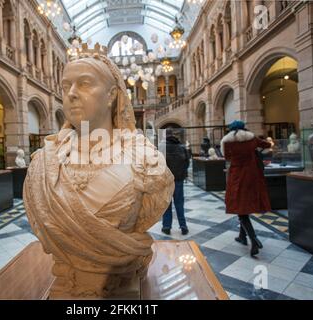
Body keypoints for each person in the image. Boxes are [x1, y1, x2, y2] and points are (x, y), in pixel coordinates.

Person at [23, 43, 174, 298]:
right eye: (65, 86)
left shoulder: (145, 160)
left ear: (112, 95)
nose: (71, 93)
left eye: (84, 84)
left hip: (123, 277)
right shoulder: (42, 164)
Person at [220, 120, 271, 257]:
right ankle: (242, 236)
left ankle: (253, 240)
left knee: (240, 207)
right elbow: (267, 145)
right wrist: (255, 151)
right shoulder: (252, 138)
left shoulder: (227, 141)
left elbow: (227, 157)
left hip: (237, 176)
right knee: (244, 206)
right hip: (252, 176)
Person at [161, 130, 190, 235]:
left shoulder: (161, 148)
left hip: (166, 181)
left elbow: (158, 165)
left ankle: (166, 227)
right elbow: (187, 163)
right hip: (178, 180)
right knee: (179, 203)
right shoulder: (181, 147)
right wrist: (181, 174)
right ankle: (183, 226)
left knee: (167, 204)